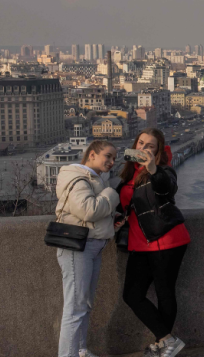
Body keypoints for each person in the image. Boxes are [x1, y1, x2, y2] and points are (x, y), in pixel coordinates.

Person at [116, 128, 190, 357]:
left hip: (166, 240)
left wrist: (153, 168)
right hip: (140, 243)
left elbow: (166, 188)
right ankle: (168, 341)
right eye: (141, 143)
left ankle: (163, 344)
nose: (144, 148)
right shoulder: (129, 174)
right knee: (132, 294)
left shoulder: (164, 171)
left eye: (150, 146)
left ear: (157, 151)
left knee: (164, 293)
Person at [55, 140, 121, 357]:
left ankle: (81, 350)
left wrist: (112, 220)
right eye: (107, 156)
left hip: (92, 246)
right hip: (78, 248)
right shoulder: (77, 178)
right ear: (91, 154)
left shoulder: (93, 178)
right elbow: (88, 210)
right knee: (75, 309)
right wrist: (111, 194)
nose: (112, 161)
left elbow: (92, 216)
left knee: (84, 305)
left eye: (114, 158)